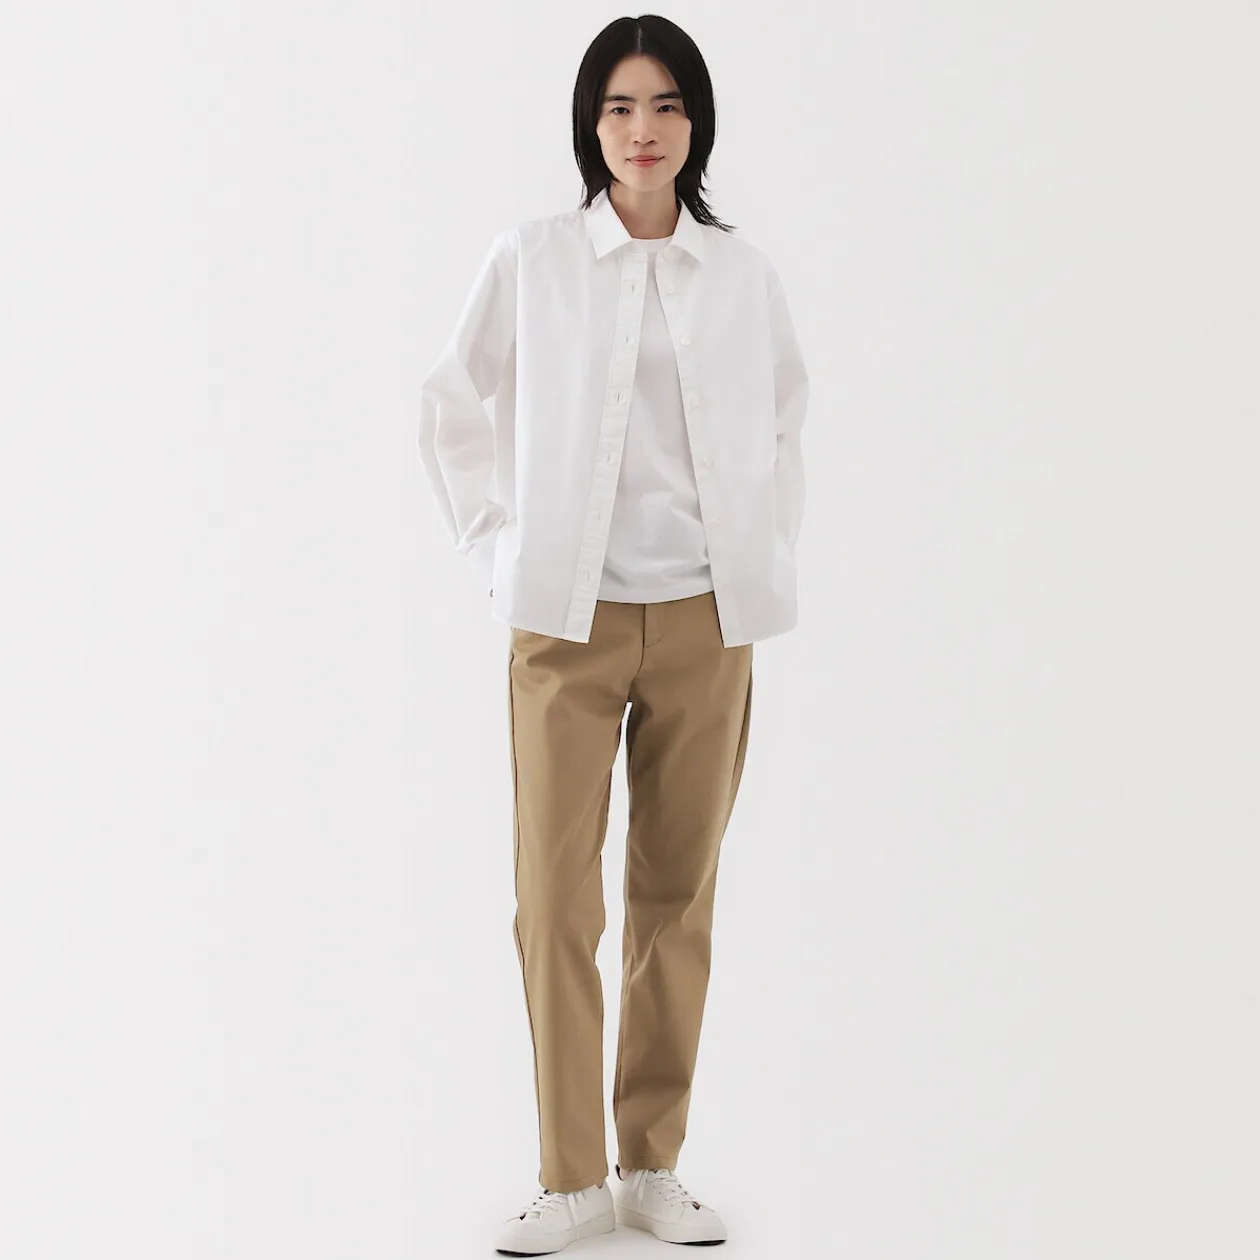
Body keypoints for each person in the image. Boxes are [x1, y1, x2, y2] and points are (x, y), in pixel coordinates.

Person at [417, 13, 808, 1255]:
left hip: (705, 624)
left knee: (675, 898)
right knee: (552, 901)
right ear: (591, 125)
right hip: (564, 626)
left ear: (697, 124)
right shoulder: (534, 259)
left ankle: (651, 1164)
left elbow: (786, 424)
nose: (644, 130)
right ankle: (570, 1175)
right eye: (620, 107)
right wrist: (499, 554)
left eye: (667, 106)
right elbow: (450, 404)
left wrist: (760, 563)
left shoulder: (741, 276)